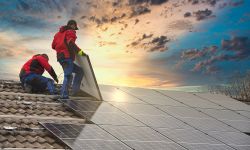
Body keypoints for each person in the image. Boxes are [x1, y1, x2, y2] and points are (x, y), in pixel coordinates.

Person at [52, 20, 86, 99]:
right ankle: (64, 95)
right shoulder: (70, 32)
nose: (75, 29)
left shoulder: (57, 34)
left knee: (80, 71)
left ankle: (75, 91)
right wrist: (80, 52)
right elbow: (71, 43)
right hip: (67, 57)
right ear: (72, 25)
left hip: (60, 58)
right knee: (68, 76)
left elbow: (53, 46)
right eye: (74, 27)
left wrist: (60, 47)